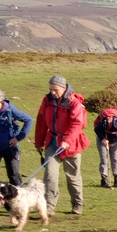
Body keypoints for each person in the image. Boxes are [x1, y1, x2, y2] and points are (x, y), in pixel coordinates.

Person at [33, 75, 90, 215]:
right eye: (50, 89)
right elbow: (41, 121)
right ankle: (49, 206)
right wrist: (39, 142)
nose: (52, 92)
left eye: (55, 90)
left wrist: (68, 141)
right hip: (52, 142)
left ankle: (77, 204)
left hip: (71, 145)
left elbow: (77, 124)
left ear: (64, 88)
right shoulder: (47, 100)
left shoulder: (74, 103)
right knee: (50, 175)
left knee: (72, 176)